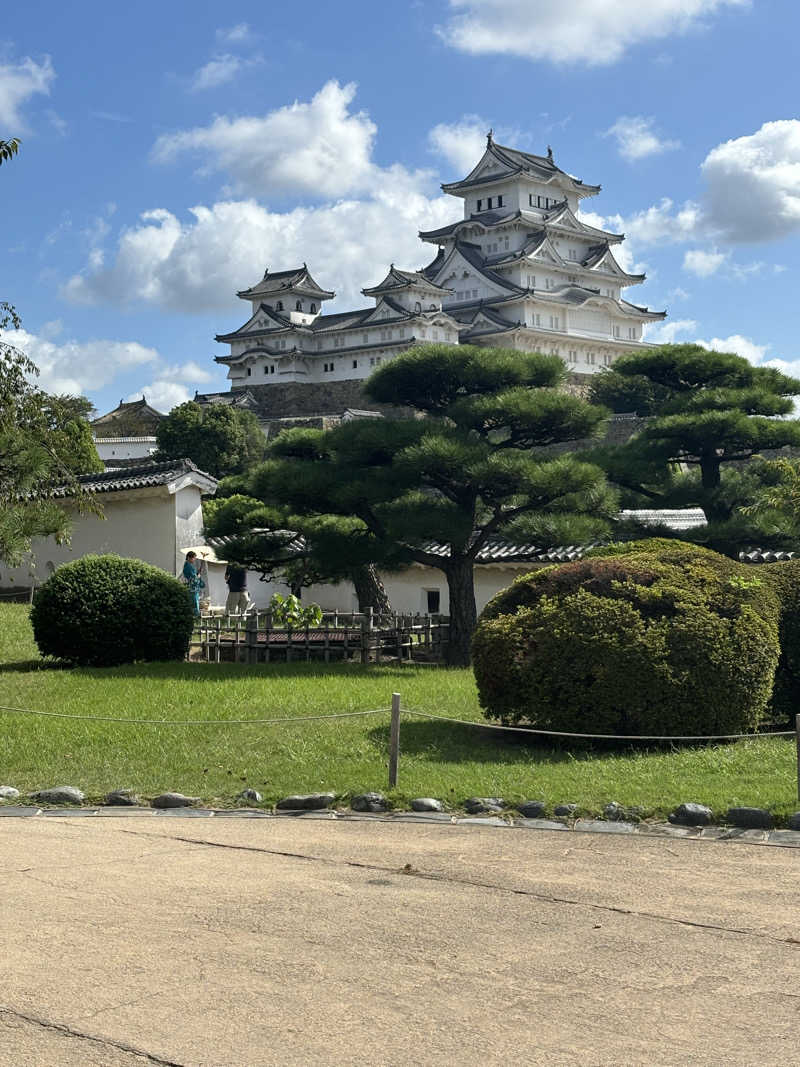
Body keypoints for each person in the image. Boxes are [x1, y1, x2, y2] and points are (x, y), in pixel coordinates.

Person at [182, 551, 205, 617]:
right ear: (189, 558)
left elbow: (193, 576)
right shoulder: (188, 566)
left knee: (193, 604)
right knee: (194, 605)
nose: (194, 560)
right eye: (193, 558)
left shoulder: (188, 565)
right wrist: (198, 576)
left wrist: (196, 575)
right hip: (192, 589)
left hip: (192, 588)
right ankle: (195, 618)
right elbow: (193, 579)